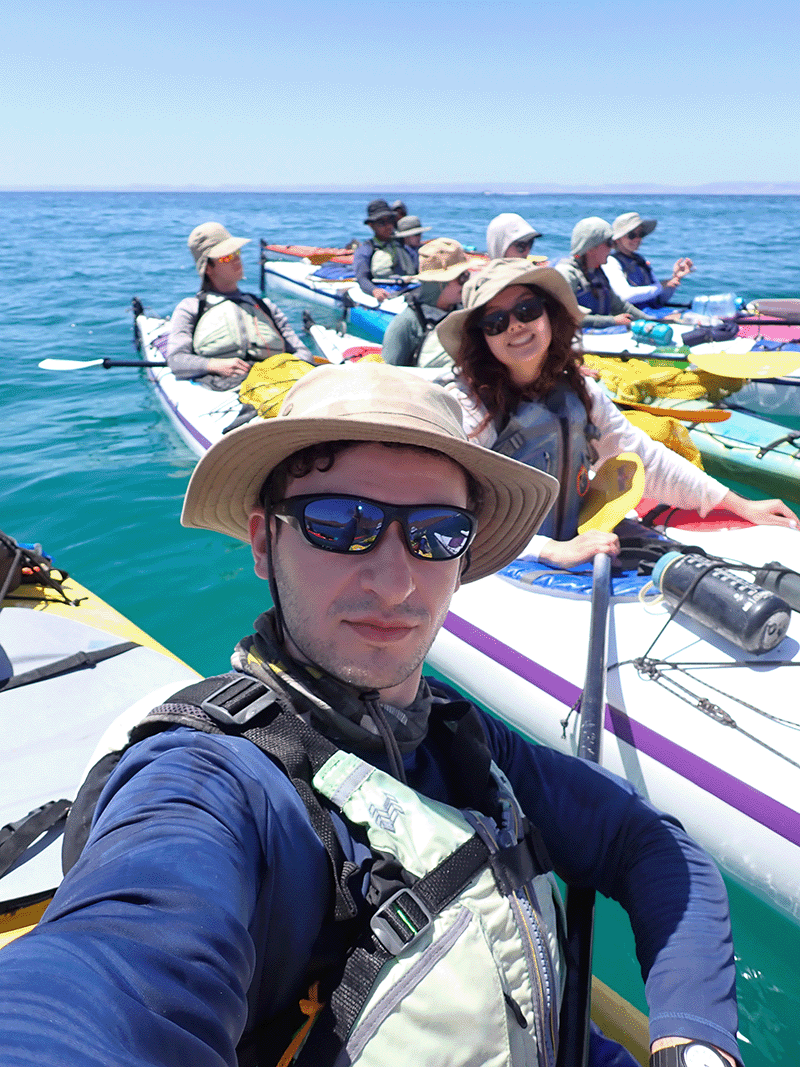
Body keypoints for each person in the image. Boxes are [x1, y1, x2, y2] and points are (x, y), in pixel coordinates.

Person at [0, 361, 742, 1067]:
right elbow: (113, 971)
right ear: (265, 541)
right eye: (338, 521)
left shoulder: (461, 738)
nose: (394, 582)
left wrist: (694, 1034)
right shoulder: (213, 781)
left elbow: (648, 842)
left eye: (437, 533)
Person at [437, 258, 798, 568]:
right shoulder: (470, 408)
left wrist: (739, 504)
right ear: (481, 337)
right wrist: (550, 551)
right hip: (510, 560)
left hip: (575, 543)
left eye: (527, 310)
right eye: (495, 322)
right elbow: (453, 516)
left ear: (550, 315)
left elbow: (640, 457)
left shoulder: (580, 393)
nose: (515, 325)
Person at [166, 222, 312, 390]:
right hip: (224, 387)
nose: (236, 259)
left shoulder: (265, 306)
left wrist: (281, 370)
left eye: (236, 252)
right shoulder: (191, 308)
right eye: (226, 257)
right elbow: (176, 360)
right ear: (208, 268)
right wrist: (213, 365)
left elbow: (303, 353)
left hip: (276, 383)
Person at [381, 238, 471, 369]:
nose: (467, 283)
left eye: (467, 275)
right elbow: (389, 377)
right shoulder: (405, 324)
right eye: (462, 278)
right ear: (440, 283)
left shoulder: (465, 314)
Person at [555, 217, 650, 329]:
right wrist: (612, 321)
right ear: (590, 249)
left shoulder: (597, 273)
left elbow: (620, 306)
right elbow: (564, 316)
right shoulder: (568, 273)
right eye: (609, 243)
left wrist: (653, 320)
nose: (612, 248)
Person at [603, 212, 694, 309]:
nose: (637, 239)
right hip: (632, 318)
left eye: (640, 234)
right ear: (618, 239)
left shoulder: (640, 261)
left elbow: (660, 299)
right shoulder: (611, 262)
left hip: (653, 314)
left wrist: (675, 279)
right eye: (632, 235)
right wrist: (661, 286)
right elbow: (624, 295)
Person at [353, 199, 416, 302]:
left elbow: (416, 265)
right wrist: (374, 290)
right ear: (371, 225)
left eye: (390, 221)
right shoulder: (366, 249)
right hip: (389, 293)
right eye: (382, 223)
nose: (388, 226)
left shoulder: (401, 246)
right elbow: (362, 278)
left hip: (410, 288)